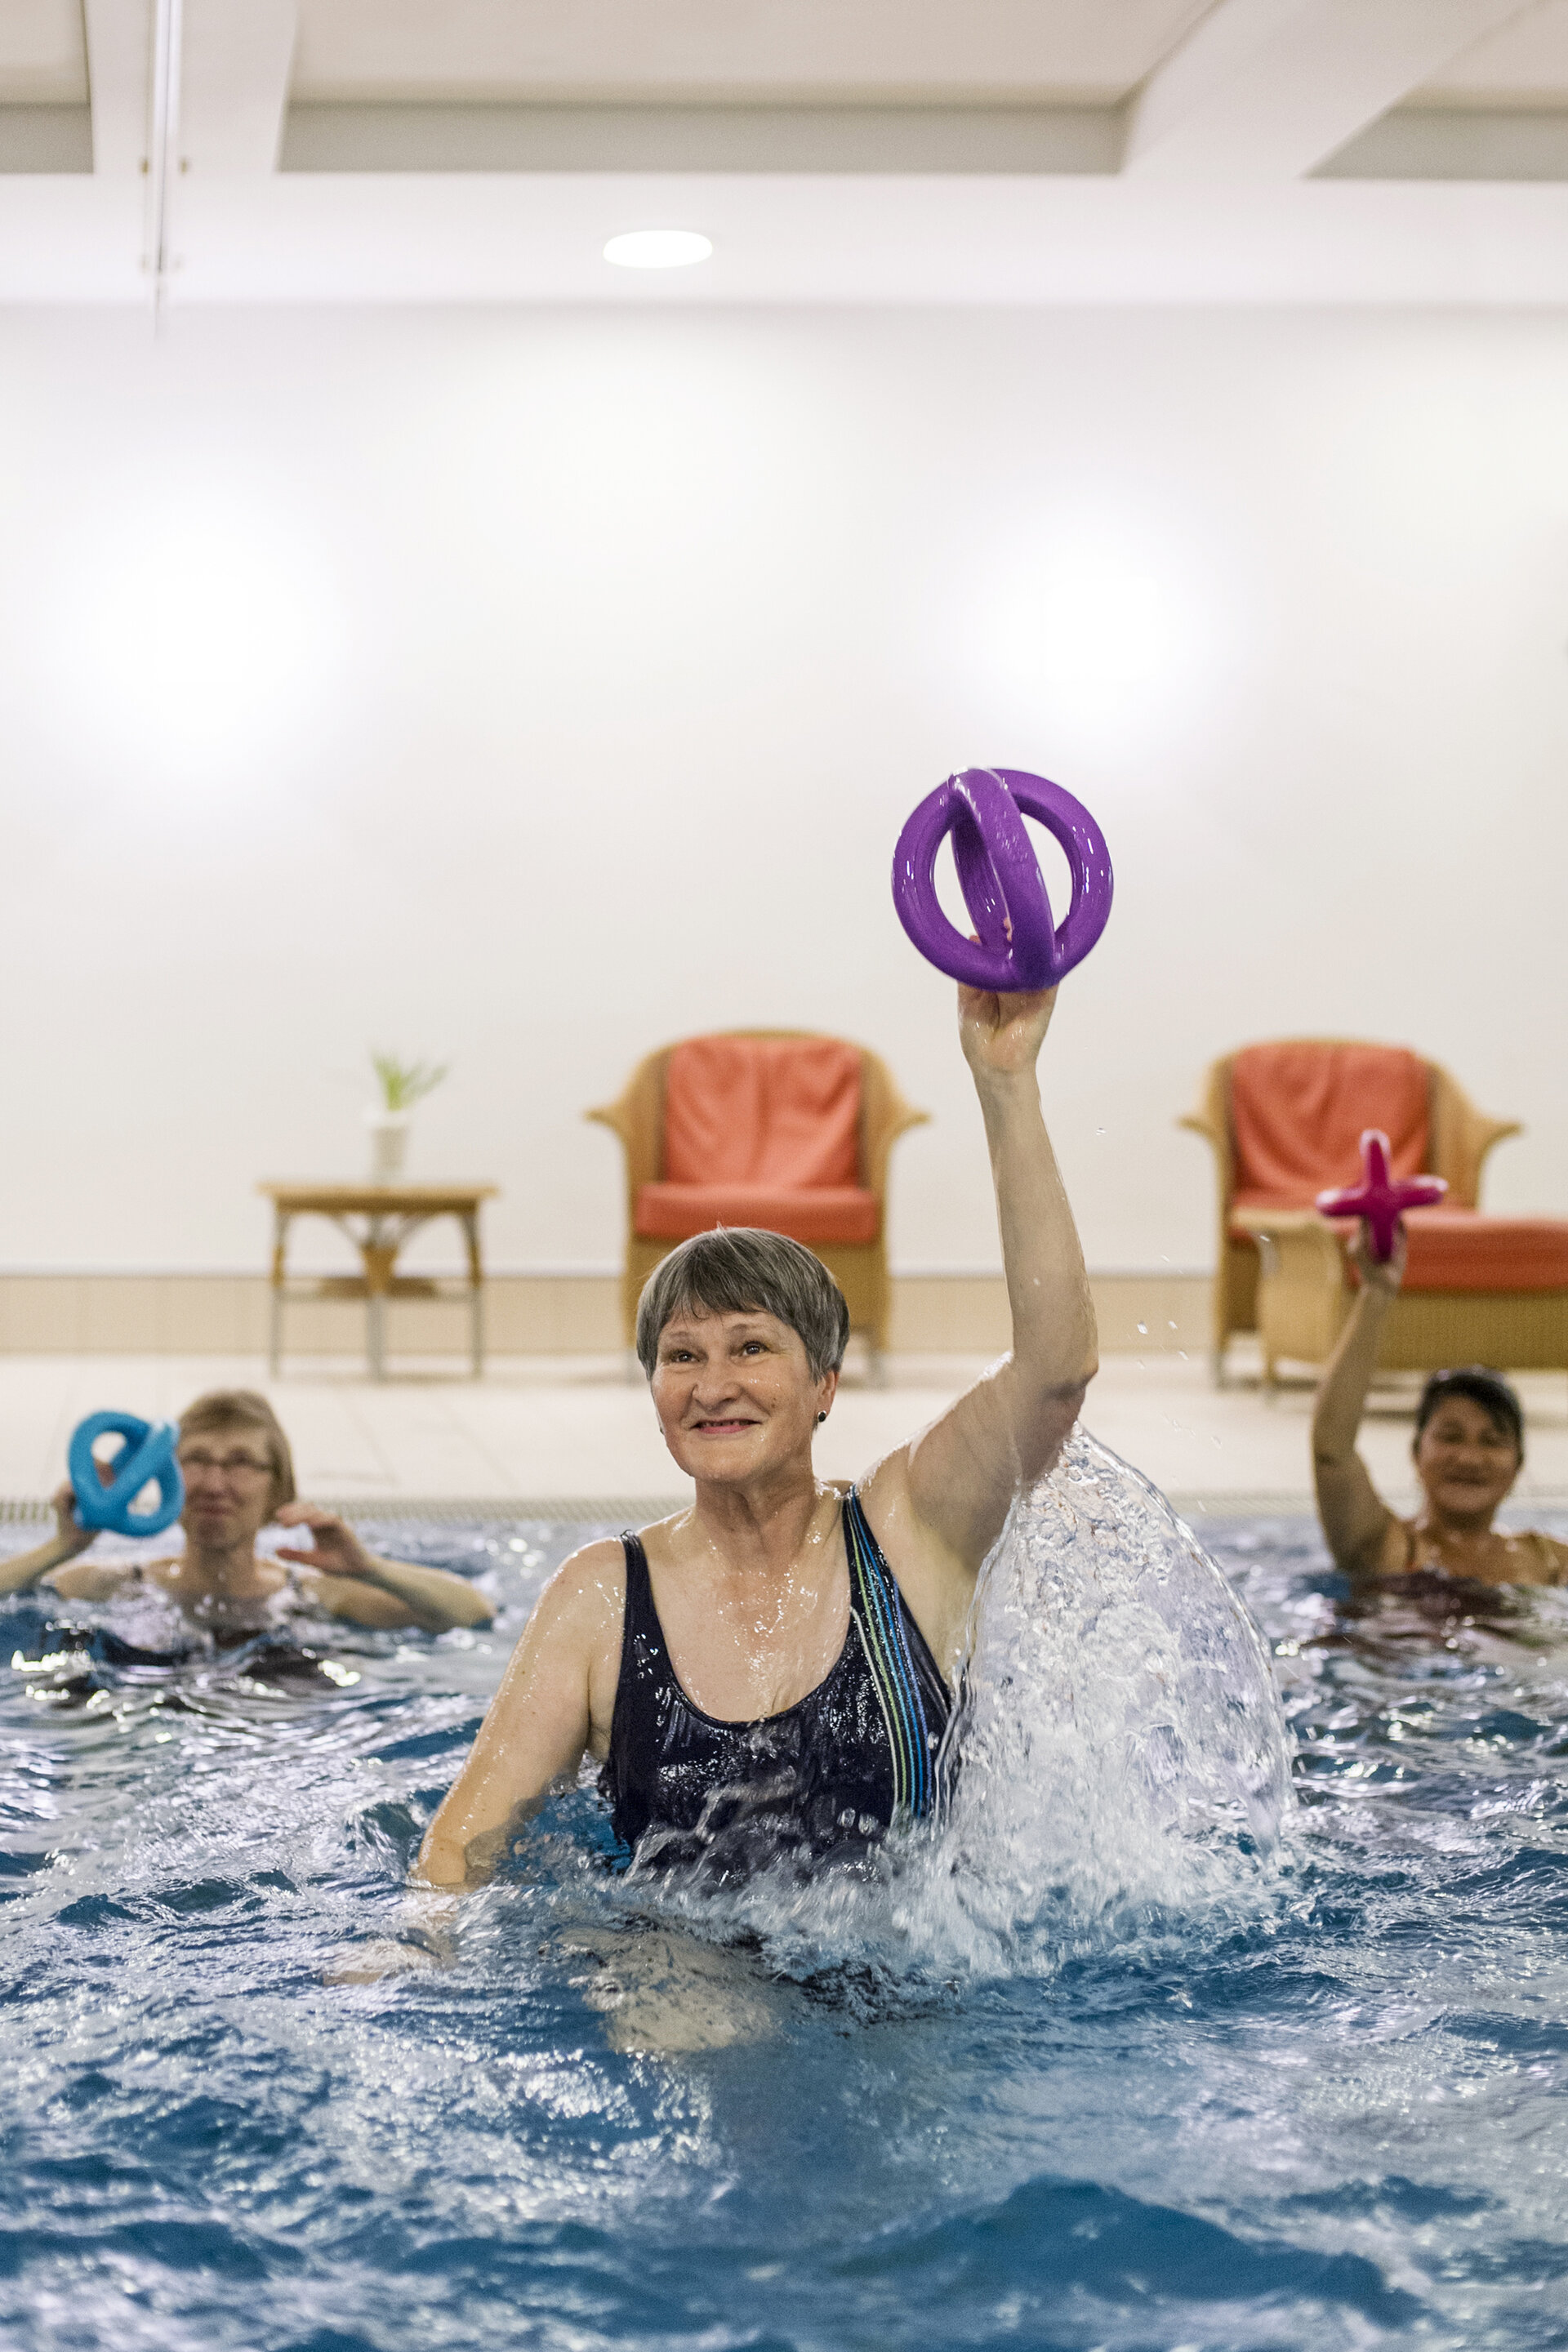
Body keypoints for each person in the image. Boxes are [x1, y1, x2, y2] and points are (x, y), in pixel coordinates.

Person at [416, 977, 1097, 1891]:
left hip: (902, 1992)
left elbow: (1054, 1372)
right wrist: (413, 1952)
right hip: (672, 1983)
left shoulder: (909, 1529)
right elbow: (462, 1851)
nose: (714, 1387)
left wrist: (1007, 1084)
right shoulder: (601, 1600)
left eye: (750, 1348)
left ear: (825, 1382)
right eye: (681, 1356)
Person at [0, 1388, 493, 1633]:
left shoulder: (318, 1595)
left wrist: (372, 1570)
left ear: (278, 1491)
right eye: (196, 1461)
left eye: (241, 1463)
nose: (216, 1484)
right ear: (166, 1479)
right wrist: (58, 1549)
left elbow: (473, 1614)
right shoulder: (109, 1583)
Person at [1312, 1232, 1567, 1587]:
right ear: (1417, 1453)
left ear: (1517, 1467)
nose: (1469, 1458)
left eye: (1492, 1441)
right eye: (1450, 1436)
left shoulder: (1551, 1562)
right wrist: (1376, 1293)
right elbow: (1332, 1452)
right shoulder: (1384, 1547)